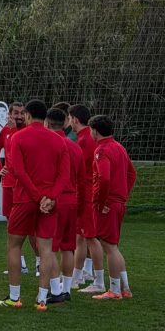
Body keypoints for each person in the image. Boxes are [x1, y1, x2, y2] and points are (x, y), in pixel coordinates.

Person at [0, 99, 68, 311]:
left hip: (25, 199)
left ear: (27, 115)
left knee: (14, 245)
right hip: (49, 202)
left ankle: (14, 297)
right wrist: (50, 197)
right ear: (45, 118)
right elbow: (64, 175)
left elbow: (18, 170)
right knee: (46, 249)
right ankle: (42, 299)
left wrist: (37, 197)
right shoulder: (59, 141)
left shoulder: (18, 137)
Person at [89, 115, 137, 300]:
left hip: (108, 204)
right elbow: (132, 174)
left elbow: (104, 178)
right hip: (117, 202)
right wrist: (123, 195)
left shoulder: (102, 150)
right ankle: (125, 288)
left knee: (109, 247)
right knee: (113, 246)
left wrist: (101, 203)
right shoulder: (119, 147)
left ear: (95, 131)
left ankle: (115, 290)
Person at [0, 101, 40, 276]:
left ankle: (39, 264)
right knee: (11, 225)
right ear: (10, 115)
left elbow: (17, 146)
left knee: (32, 227)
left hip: (26, 186)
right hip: (9, 184)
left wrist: (12, 131)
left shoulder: (27, 131)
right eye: (15, 113)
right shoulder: (5, 131)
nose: (19, 116)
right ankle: (21, 264)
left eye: (21, 113)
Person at [45, 108, 85, 303]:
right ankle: (67, 288)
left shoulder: (49, 145)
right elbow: (82, 179)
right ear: (65, 123)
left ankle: (55, 290)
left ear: (47, 123)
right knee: (68, 247)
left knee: (50, 247)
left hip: (55, 200)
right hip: (72, 200)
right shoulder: (75, 147)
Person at [69, 104, 107, 293]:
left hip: (86, 194)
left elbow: (77, 170)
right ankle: (78, 276)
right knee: (82, 237)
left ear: (75, 119)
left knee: (89, 238)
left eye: (70, 118)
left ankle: (97, 281)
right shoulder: (88, 139)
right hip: (88, 193)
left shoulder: (84, 141)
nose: (69, 122)